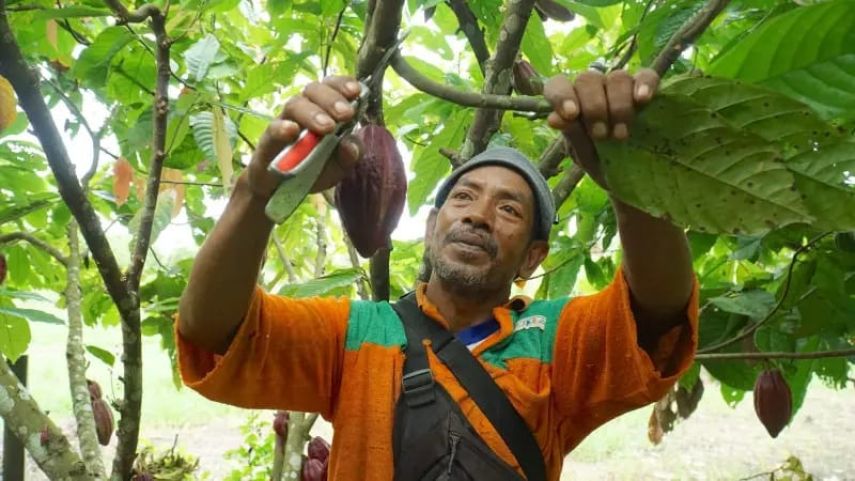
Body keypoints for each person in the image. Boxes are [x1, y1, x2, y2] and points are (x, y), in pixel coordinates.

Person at [176, 69, 698, 480]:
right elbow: (213, 331)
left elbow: (657, 314)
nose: (477, 214)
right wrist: (255, 192)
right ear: (431, 229)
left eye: (509, 210)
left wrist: (634, 186)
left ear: (532, 258)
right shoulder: (355, 335)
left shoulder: (553, 342)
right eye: (464, 198)